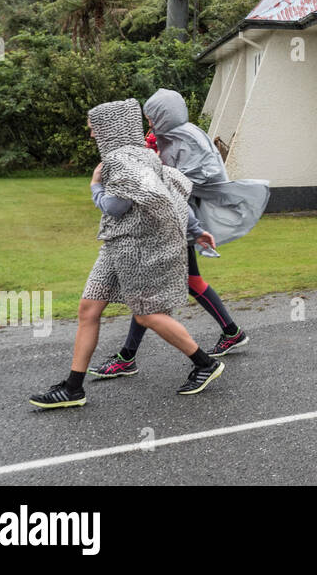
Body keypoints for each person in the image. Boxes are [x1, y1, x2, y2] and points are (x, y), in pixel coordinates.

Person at [29, 99, 225, 408]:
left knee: (148, 314)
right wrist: (196, 229)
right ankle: (73, 387)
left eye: (94, 129)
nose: (92, 135)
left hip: (137, 249)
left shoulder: (119, 162)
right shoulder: (146, 155)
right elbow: (171, 194)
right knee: (88, 308)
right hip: (114, 246)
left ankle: (204, 363)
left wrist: (95, 186)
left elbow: (115, 207)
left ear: (109, 128)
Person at [92, 88, 268, 378]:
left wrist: (156, 166)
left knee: (148, 293)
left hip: (174, 221)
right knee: (177, 286)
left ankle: (128, 357)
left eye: (152, 118)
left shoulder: (185, 137)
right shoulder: (178, 134)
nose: (149, 125)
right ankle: (231, 331)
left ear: (164, 115)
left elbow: (186, 178)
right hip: (177, 220)